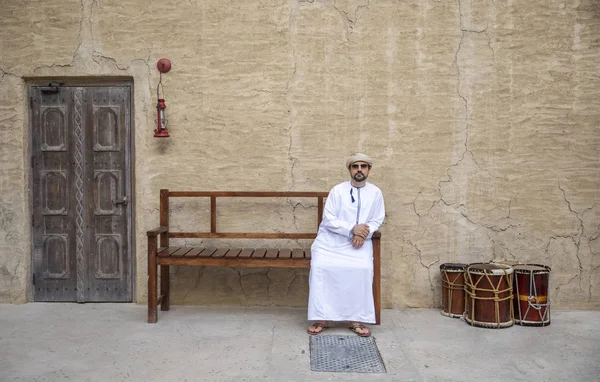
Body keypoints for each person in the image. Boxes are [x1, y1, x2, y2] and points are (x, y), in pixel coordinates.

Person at [307, 153, 385, 337]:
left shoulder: (375, 193)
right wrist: (352, 229)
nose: (359, 169)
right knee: (320, 267)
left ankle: (355, 319)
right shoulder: (338, 190)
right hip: (331, 242)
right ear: (349, 169)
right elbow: (328, 219)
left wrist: (363, 233)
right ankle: (321, 317)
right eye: (355, 166)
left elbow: (377, 218)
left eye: (363, 166)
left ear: (369, 170)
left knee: (363, 269)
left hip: (359, 243)